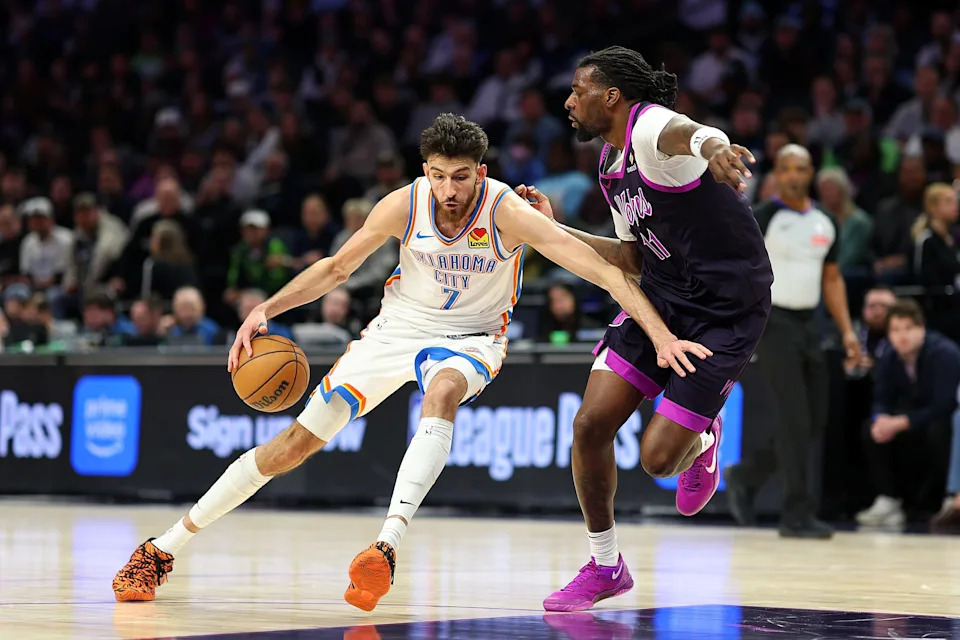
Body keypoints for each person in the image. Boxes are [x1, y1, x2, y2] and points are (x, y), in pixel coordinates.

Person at [112, 113, 709, 610]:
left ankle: (385, 547)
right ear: (425, 171)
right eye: (439, 176)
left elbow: (604, 272)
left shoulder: (507, 212)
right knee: (291, 446)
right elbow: (337, 269)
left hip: (474, 336)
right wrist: (265, 308)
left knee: (442, 391)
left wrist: (658, 334)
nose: (450, 191)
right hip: (395, 330)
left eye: (461, 177)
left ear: (482, 172)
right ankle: (163, 548)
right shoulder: (405, 204)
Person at [517, 46, 773, 612]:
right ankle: (605, 564)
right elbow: (632, 258)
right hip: (660, 292)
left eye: (578, 89)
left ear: (610, 96)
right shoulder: (609, 166)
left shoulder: (648, 127)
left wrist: (717, 148)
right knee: (589, 425)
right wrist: (556, 232)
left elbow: (693, 132)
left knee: (658, 462)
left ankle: (703, 436)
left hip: (726, 310)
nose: (568, 101)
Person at [725, 144, 861, 540]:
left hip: (810, 323)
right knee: (795, 418)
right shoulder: (763, 216)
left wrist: (849, 332)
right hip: (773, 321)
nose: (795, 176)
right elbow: (740, 268)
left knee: (813, 419)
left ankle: (746, 475)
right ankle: (796, 513)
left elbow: (832, 279)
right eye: (787, 169)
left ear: (812, 171)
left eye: (801, 168)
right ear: (778, 174)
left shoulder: (825, 221)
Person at [857, 299, 960, 527]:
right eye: (895, 330)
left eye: (908, 328)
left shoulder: (945, 353)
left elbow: (944, 405)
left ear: (921, 328)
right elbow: (880, 399)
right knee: (871, 429)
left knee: (941, 429)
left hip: (938, 420)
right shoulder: (889, 357)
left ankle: (949, 497)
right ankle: (888, 500)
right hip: (911, 421)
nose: (902, 336)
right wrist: (880, 419)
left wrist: (901, 422)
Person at [911, 183, 960, 344]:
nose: (955, 206)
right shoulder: (926, 241)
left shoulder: (952, 239)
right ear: (932, 207)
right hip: (939, 315)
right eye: (948, 201)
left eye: (955, 201)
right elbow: (926, 283)